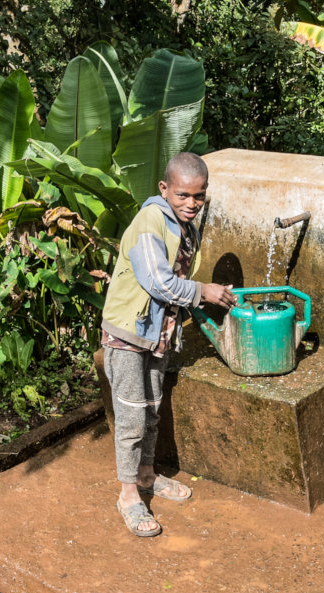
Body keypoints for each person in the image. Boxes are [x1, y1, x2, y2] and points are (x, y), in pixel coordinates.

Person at [100, 152, 235, 536]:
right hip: (128, 333)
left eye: (199, 196)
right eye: (183, 195)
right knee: (130, 417)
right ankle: (128, 495)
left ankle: (146, 474)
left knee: (151, 409)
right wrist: (203, 291)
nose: (192, 203)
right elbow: (158, 282)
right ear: (164, 189)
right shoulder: (150, 222)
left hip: (158, 332)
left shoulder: (185, 226)